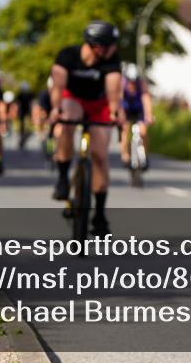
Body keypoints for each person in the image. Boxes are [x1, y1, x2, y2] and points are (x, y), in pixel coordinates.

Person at [50, 21, 125, 236]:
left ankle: (99, 215)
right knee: (68, 118)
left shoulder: (111, 59)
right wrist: (55, 109)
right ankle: (63, 177)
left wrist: (114, 111)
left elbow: (113, 87)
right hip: (73, 99)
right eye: (112, 44)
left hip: (98, 103)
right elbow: (58, 85)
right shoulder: (67, 56)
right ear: (98, 46)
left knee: (100, 155)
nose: (115, 49)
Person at [120, 64, 154, 168]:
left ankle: (145, 154)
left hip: (139, 110)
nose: (132, 83)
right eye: (130, 81)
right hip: (126, 110)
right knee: (125, 130)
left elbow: (146, 99)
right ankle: (125, 155)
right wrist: (120, 115)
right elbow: (119, 101)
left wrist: (149, 115)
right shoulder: (122, 84)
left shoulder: (142, 85)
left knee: (143, 132)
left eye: (134, 81)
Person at [15, 81, 34, 150]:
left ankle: (26, 132)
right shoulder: (20, 94)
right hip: (22, 110)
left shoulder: (29, 94)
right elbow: (17, 103)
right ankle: (23, 133)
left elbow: (31, 103)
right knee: (22, 124)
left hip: (26, 110)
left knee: (26, 123)